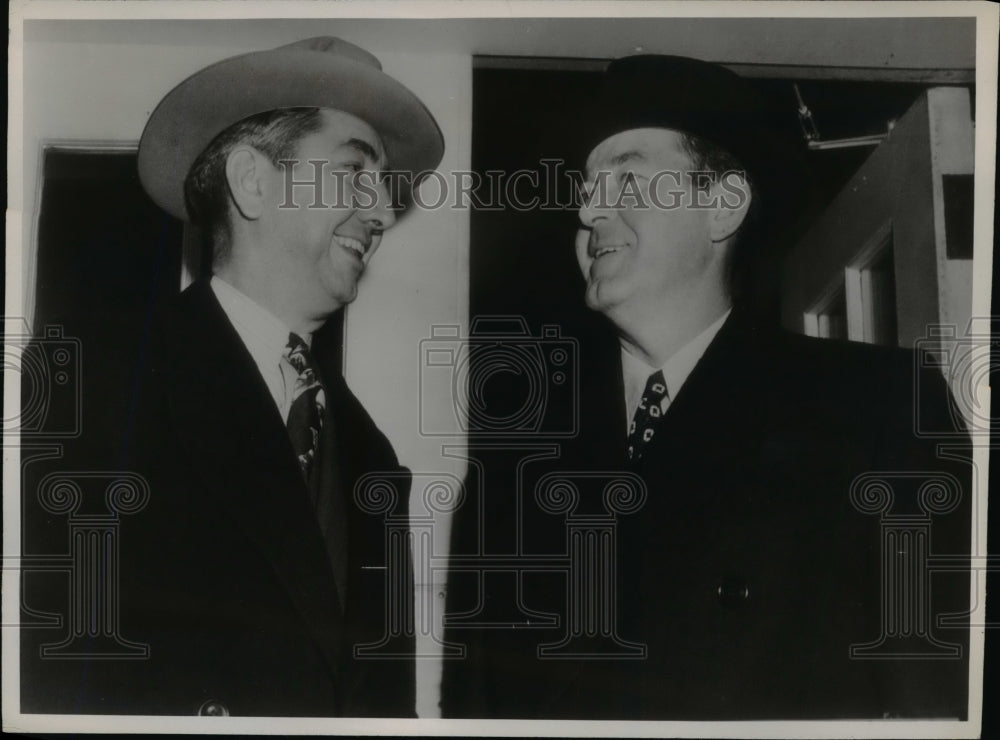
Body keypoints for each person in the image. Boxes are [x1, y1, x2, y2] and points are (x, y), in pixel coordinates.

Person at [442, 54, 971, 720]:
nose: (588, 209)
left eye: (625, 178)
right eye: (587, 188)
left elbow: (937, 694)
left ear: (721, 206)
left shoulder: (876, 406)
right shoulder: (513, 453)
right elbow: (472, 705)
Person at [23, 36, 443, 717]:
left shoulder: (375, 457)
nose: (381, 213)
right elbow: (46, 667)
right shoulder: (94, 381)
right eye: (353, 172)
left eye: (385, 185)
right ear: (251, 182)